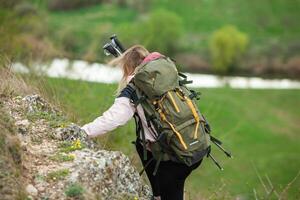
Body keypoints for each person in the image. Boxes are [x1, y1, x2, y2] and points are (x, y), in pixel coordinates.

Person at [81, 45, 203, 200]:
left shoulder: (134, 90)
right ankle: (158, 195)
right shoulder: (165, 75)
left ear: (127, 67)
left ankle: (161, 195)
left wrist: (83, 131)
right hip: (195, 144)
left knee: (172, 190)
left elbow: (112, 119)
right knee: (142, 144)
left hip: (174, 160)